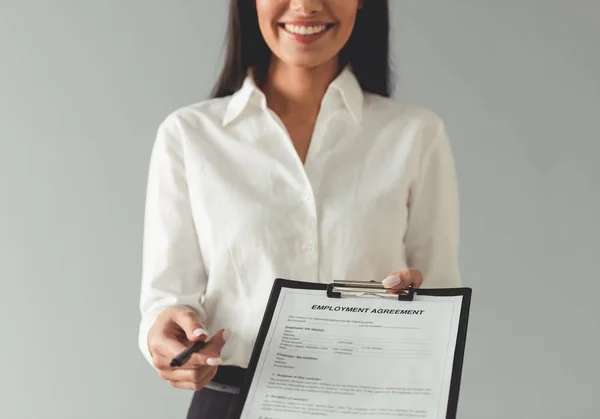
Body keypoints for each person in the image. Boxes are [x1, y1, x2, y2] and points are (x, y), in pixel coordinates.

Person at [138, 0, 461, 417]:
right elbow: (167, 298)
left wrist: (417, 307)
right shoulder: (189, 136)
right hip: (231, 402)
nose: (306, 5)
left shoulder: (415, 134)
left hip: (373, 404)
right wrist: (168, 339)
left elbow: (439, 298)